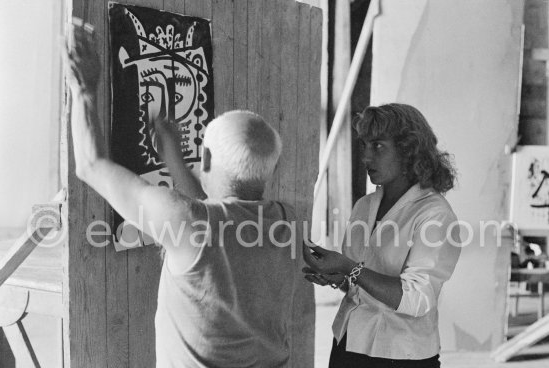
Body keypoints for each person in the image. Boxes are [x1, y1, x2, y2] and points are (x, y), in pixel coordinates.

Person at [66, 19, 300, 368]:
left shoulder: (188, 222)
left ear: (204, 157)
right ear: (271, 168)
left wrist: (84, 88)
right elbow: (212, 213)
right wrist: (172, 152)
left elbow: (90, 165)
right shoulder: (287, 220)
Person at [303, 103, 461, 368]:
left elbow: (417, 298)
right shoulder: (364, 206)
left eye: (377, 146)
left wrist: (348, 267)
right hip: (347, 342)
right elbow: (357, 283)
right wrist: (338, 277)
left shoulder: (434, 214)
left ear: (408, 150)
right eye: (364, 145)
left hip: (400, 354)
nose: (366, 157)